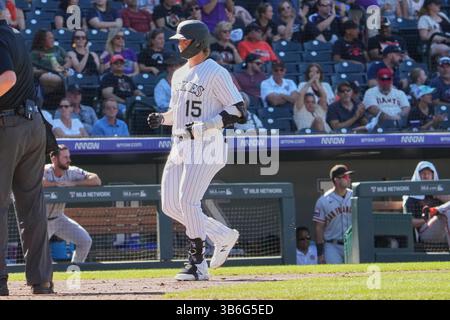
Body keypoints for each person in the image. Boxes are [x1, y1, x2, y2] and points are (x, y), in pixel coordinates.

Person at [147, 20, 244, 281]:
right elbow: (177, 114)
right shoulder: (179, 74)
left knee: (188, 202)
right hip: (179, 144)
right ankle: (223, 236)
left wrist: (206, 126)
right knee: (171, 206)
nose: (179, 44)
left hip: (206, 146)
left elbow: (238, 111)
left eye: (183, 40)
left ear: (198, 42)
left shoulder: (216, 72)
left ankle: (197, 264)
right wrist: (162, 118)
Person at [0, 3, 54, 295]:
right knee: (32, 207)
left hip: (7, 126)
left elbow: (6, 78)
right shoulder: (16, 35)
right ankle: (42, 280)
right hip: (32, 125)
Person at [43, 145, 100, 264]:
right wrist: (56, 184)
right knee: (38, 254)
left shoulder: (71, 171)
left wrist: (73, 183)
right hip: (41, 221)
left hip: (59, 219)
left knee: (85, 241)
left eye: (69, 156)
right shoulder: (45, 170)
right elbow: (35, 181)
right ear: (54, 159)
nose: (68, 160)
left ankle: (73, 271)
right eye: (65, 157)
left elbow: (96, 179)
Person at [313, 164, 354, 264]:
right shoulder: (323, 201)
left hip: (353, 244)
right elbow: (319, 228)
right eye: (345, 176)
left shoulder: (355, 195)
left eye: (348, 176)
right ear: (336, 179)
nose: (348, 179)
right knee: (335, 275)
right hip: (332, 245)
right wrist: (320, 253)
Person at [403, 161, 450, 247]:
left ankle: (437, 210)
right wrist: (425, 219)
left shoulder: (438, 195)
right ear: (418, 176)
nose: (426, 176)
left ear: (433, 175)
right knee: (445, 213)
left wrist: (438, 195)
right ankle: (437, 211)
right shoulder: (412, 197)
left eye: (429, 173)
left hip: (443, 233)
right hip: (424, 234)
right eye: (423, 173)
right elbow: (409, 222)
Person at [30, 29, 71, 96]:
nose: (53, 40)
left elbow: (68, 60)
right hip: (46, 74)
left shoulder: (58, 48)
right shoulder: (35, 53)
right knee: (47, 78)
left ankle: (49, 97)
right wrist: (45, 71)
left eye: (53, 38)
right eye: (50, 38)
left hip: (62, 72)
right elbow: (32, 70)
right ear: (42, 40)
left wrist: (63, 68)